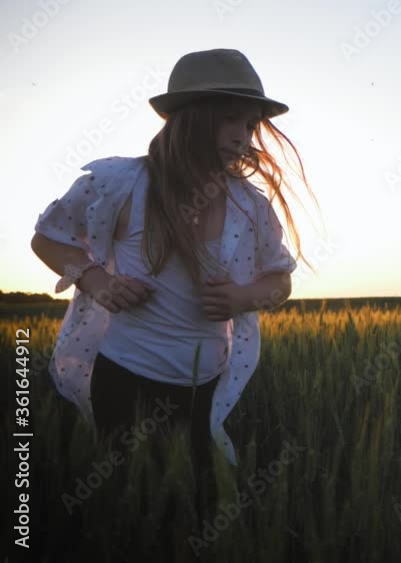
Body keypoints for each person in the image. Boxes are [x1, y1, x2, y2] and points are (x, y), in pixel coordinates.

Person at [30, 48, 317, 547]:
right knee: (128, 507)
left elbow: (280, 282)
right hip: (123, 379)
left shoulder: (249, 206)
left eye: (249, 125)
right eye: (229, 119)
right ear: (189, 120)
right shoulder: (123, 184)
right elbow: (47, 238)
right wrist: (96, 280)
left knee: (198, 512)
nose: (241, 136)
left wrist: (244, 296)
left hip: (204, 385)